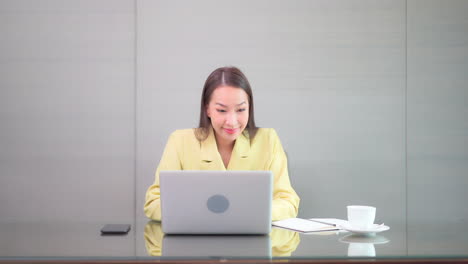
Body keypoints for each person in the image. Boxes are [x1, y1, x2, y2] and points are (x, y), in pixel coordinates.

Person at [144, 66, 300, 221]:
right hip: (195, 241)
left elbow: (288, 201)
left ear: (249, 108)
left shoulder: (268, 140)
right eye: (222, 110)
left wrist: (249, 214)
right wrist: (201, 214)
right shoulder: (180, 141)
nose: (232, 122)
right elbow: (153, 203)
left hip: (251, 242)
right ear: (208, 109)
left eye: (240, 110)